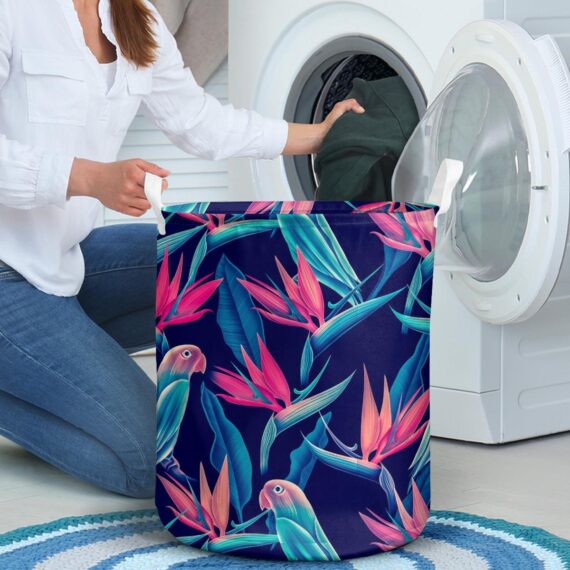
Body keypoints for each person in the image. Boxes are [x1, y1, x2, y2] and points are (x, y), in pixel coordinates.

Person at [0, 0, 364, 499]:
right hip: (5, 274)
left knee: (219, 263)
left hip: (64, 262)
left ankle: (46, 366)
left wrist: (316, 137)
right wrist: (88, 177)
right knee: (159, 463)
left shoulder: (135, 16)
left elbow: (199, 121)